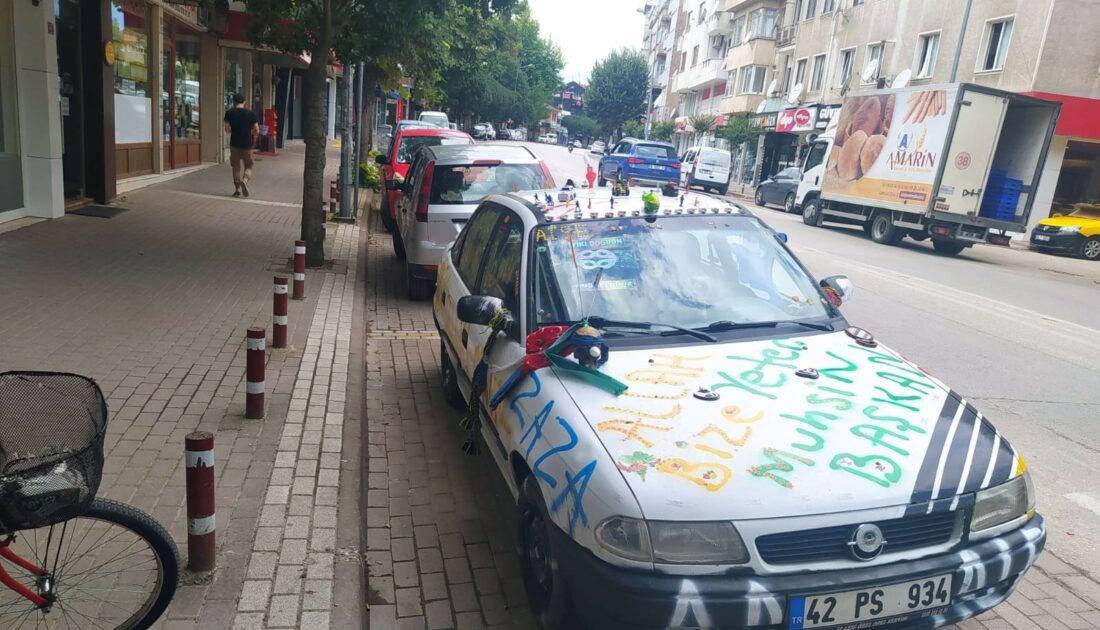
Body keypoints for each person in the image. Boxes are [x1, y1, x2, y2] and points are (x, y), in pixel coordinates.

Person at [223, 94, 259, 197]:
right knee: (249, 166)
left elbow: (227, 129)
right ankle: (245, 180)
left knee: (236, 167)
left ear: (234, 102)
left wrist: (233, 130)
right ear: (245, 101)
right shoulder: (250, 114)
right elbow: (257, 130)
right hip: (247, 144)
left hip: (234, 143)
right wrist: (250, 133)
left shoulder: (229, 113)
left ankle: (237, 190)